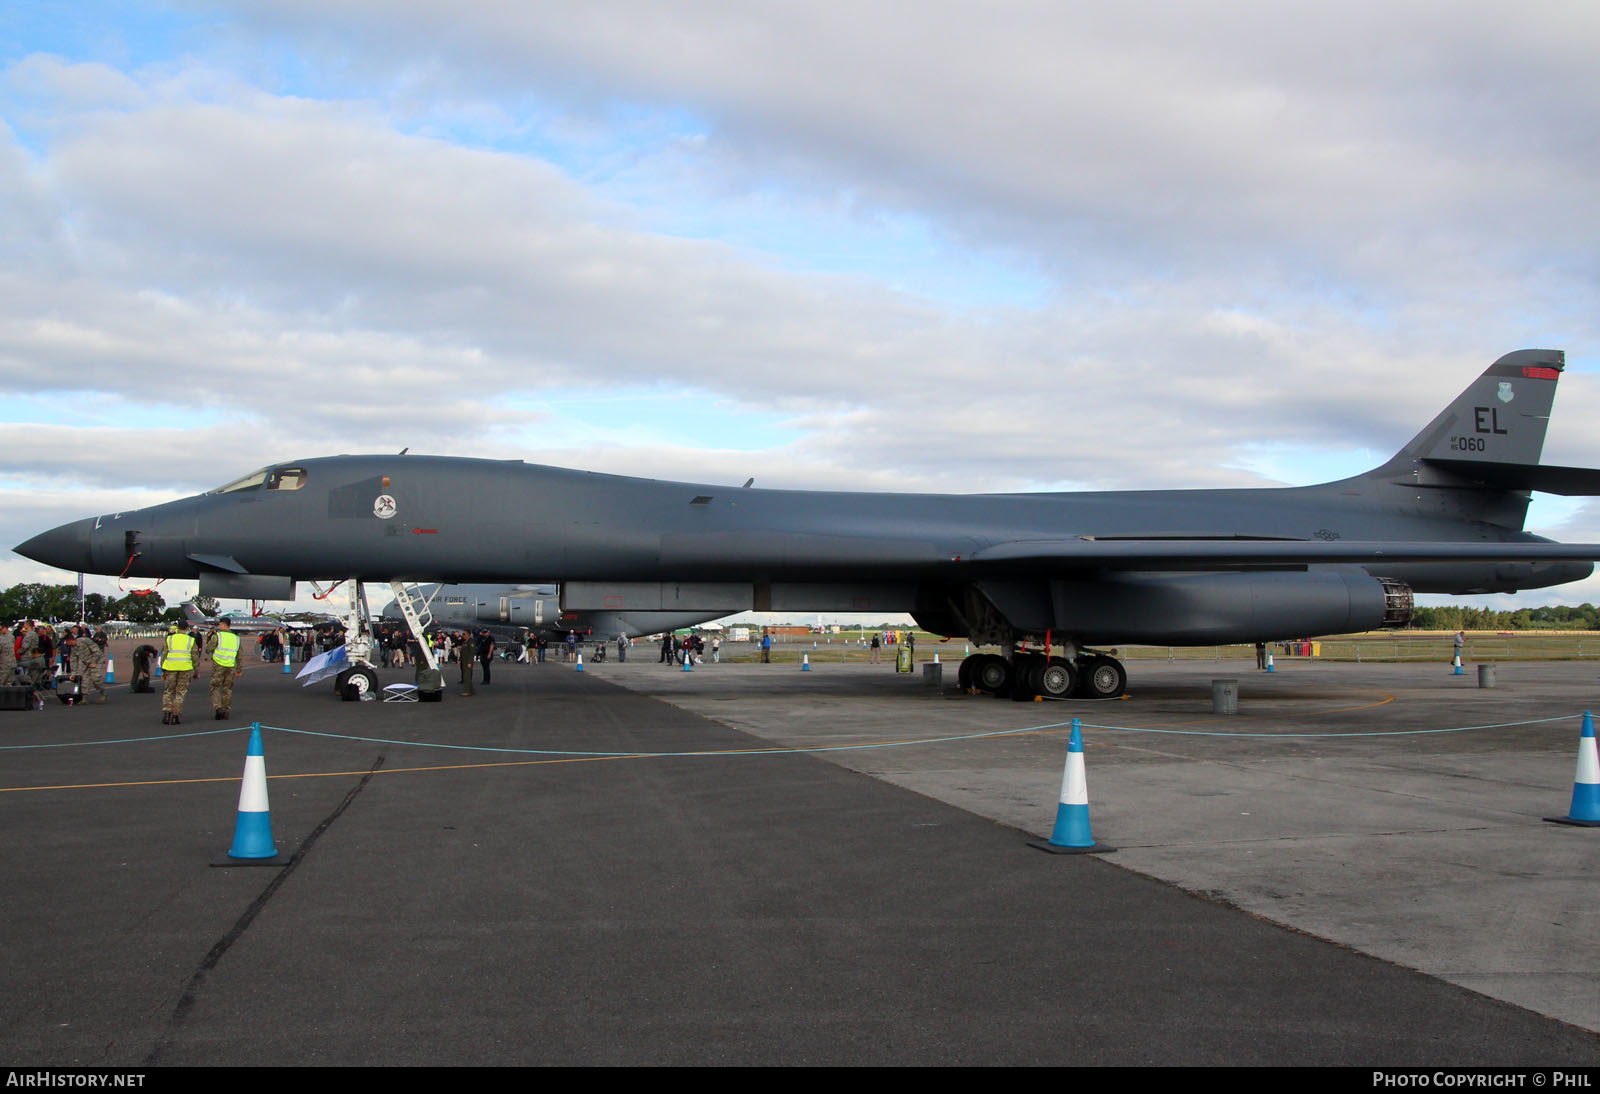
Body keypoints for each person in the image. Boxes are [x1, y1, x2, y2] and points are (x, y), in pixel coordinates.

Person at [161, 619, 201, 725]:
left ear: (177, 628)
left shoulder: (169, 639)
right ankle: (176, 715)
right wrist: (196, 671)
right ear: (187, 628)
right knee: (180, 692)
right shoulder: (191, 640)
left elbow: (164, 654)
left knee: (168, 691)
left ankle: (166, 714)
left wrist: (163, 669)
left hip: (171, 667)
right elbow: (195, 657)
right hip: (185, 668)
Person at [206, 617, 242, 719]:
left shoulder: (218, 636)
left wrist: (209, 637)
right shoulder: (236, 638)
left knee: (215, 687)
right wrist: (239, 669)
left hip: (218, 664)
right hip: (230, 665)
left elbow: (209, 648)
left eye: (220, 624)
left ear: (222, 624)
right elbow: (239, 655)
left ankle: (218, 707)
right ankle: (226, 710)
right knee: (227, 689)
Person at [72, 625, 107, 705]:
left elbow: (97, 652)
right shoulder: (73, 646)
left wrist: (93, 662)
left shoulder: (86, 641)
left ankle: (102, 692)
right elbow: (73, 660)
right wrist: (73, 672)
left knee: (96, 678)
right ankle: (84, 698)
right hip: (85, 661)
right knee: (84, 678)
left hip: (97, 660)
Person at [458, 628, 476, 696]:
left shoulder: (471, 642)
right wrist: (460, 660)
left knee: (467, 676)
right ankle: (472, 690)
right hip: (464, 661)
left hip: (468, 661)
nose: (463, 635)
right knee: (466, 675)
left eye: (464, 634)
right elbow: (462, 652)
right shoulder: (465, 642)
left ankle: (467, 691)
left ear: (468, 634)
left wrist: (469, 662)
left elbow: (472, 653)